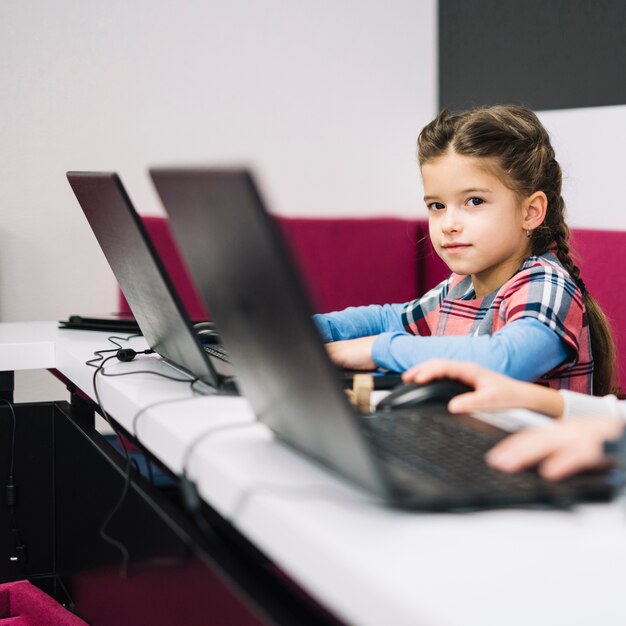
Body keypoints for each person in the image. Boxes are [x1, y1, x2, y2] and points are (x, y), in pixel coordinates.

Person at [315, 105, 616, 395]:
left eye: (474, 201)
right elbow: (391, 319)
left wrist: (376, 350)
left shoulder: (547, 285)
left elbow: (503, 360)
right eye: (437, 206)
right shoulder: (463, 286)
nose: (448, 224)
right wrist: (313, 330)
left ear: (530, 212)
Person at [403, 359, 625, 480]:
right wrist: (522, 394)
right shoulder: (452, 292)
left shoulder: (547, 283)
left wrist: (616, 442)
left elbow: (508, 354)